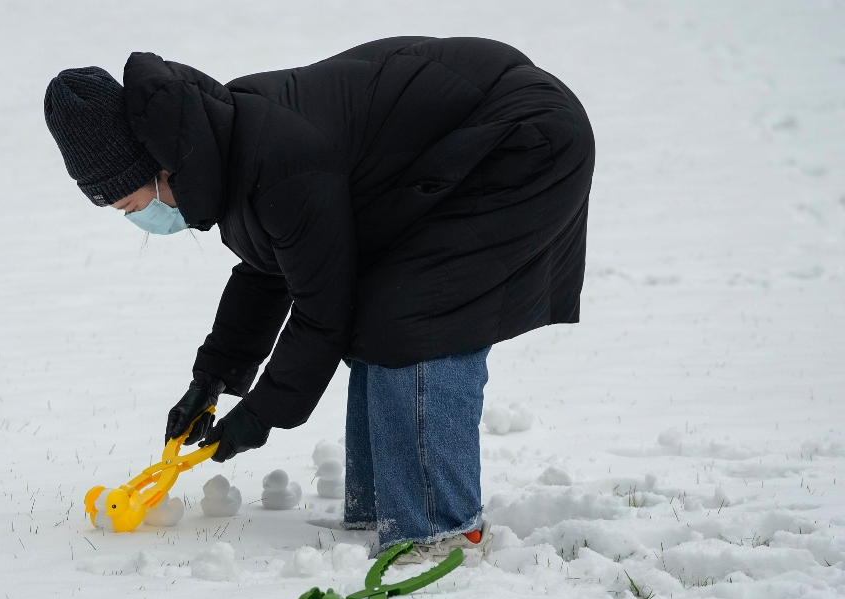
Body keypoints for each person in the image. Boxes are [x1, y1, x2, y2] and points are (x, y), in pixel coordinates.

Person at [43, 36, 595, 560]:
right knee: (381, 309)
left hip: (522, 140)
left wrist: (255, 418)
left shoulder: (273, 154)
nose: (139, 219)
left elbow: (321, 311)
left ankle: (441, 528)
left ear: (155, 168)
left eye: (128, 205)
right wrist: (211, 381)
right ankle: (381, 508)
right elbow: (270, 267)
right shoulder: (221, 142)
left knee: (412, 314)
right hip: (459, 148)